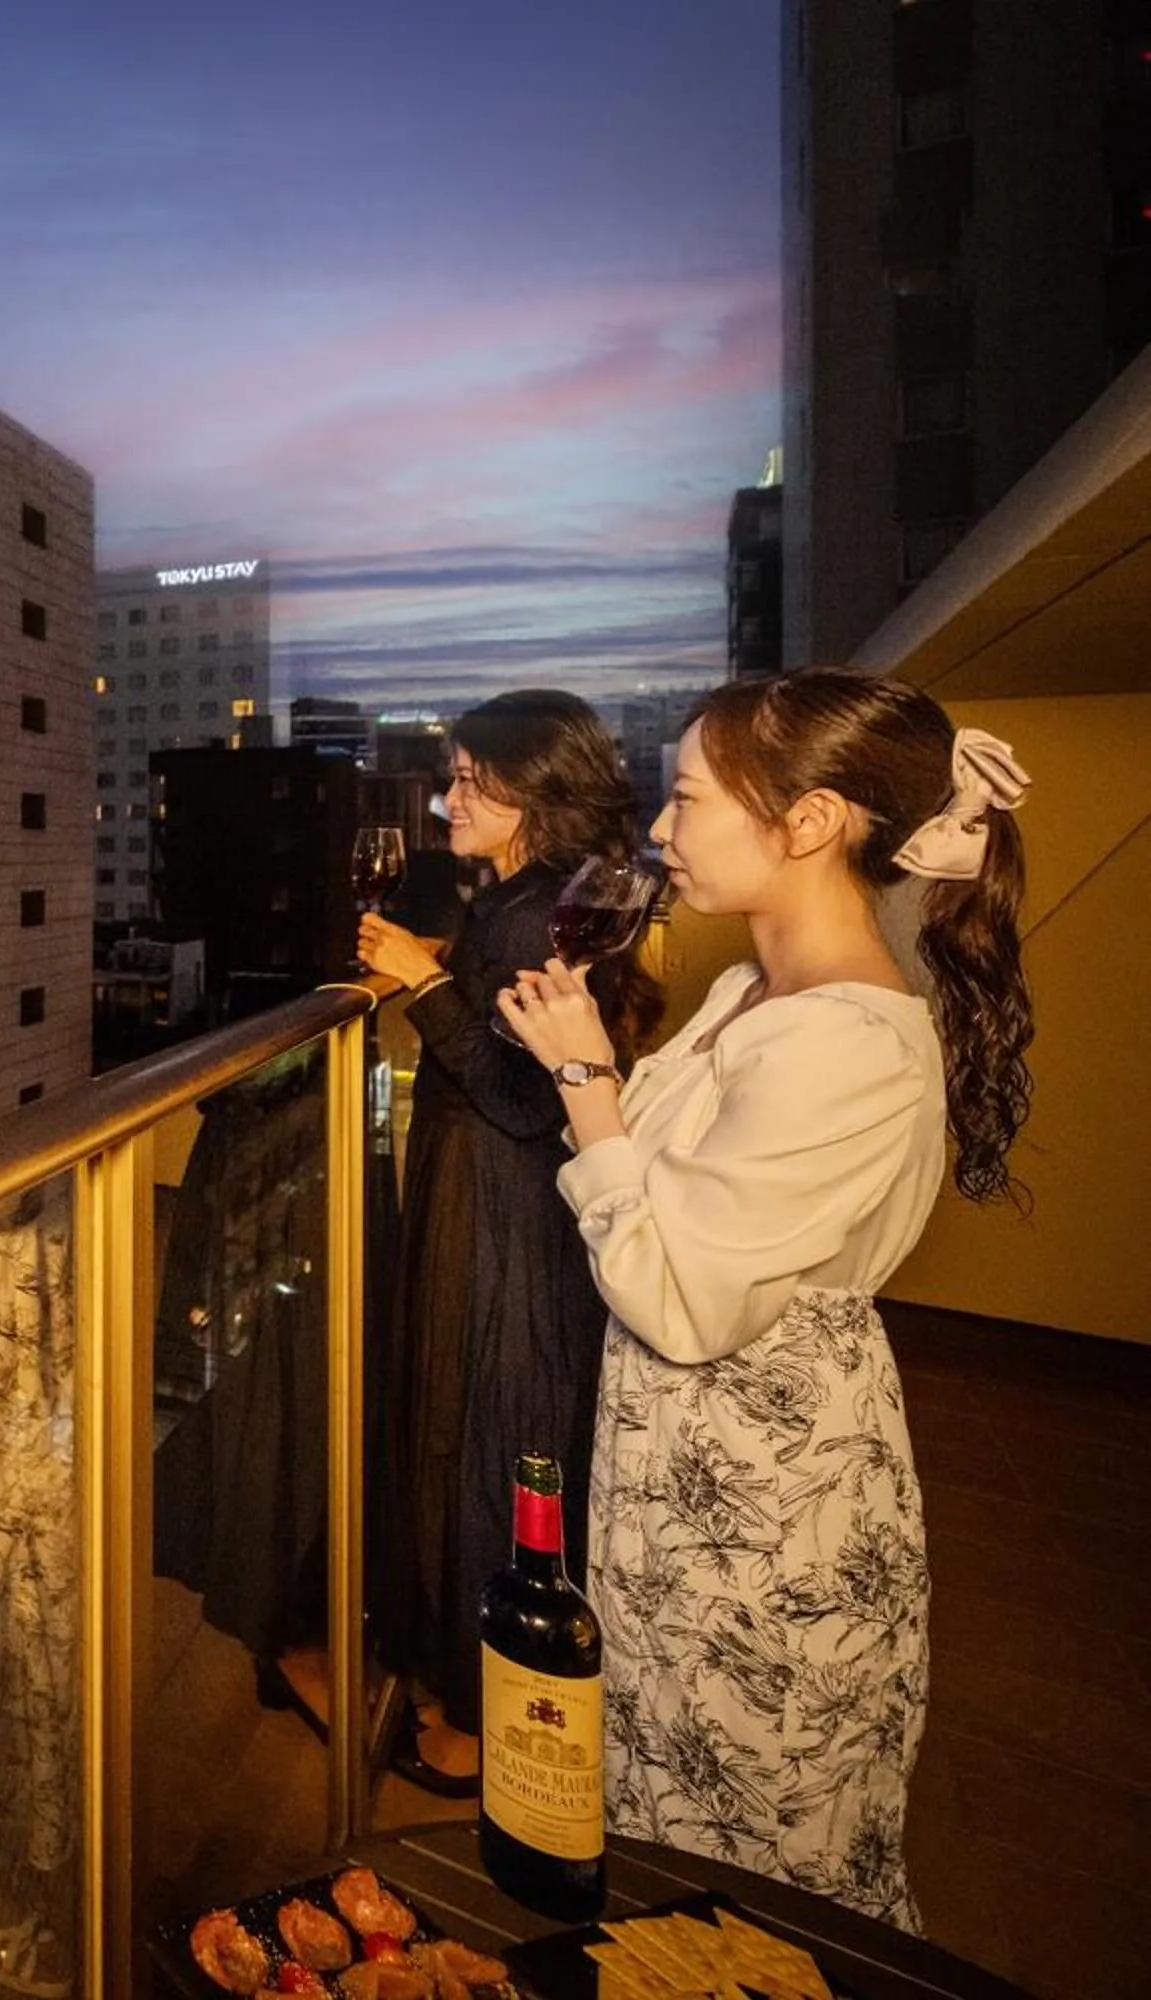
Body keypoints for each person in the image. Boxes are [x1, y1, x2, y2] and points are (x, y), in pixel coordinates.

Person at [498, 671, 1032, 1927]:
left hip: (765, 1512)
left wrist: (581, 1080)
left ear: (811, 821)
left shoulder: (846, 1044)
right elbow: (669, 1193)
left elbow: (683, 1299)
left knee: (751, 1868)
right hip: (687, 1481)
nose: (661, 830)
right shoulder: (753, 990)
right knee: (666, 1837)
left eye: (687, 799)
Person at [355, 690, 660, 1795]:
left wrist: (423, 978)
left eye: (469, 780)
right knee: (494, 1425)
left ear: (533, 789)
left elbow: (519, 1098)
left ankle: (477, 1718)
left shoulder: (536, 918)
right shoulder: (541, 900)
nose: (449, 800)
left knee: (479, 1429)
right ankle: (492, 1692)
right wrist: (450, 965)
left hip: (497, 1204)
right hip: (505, 1198)